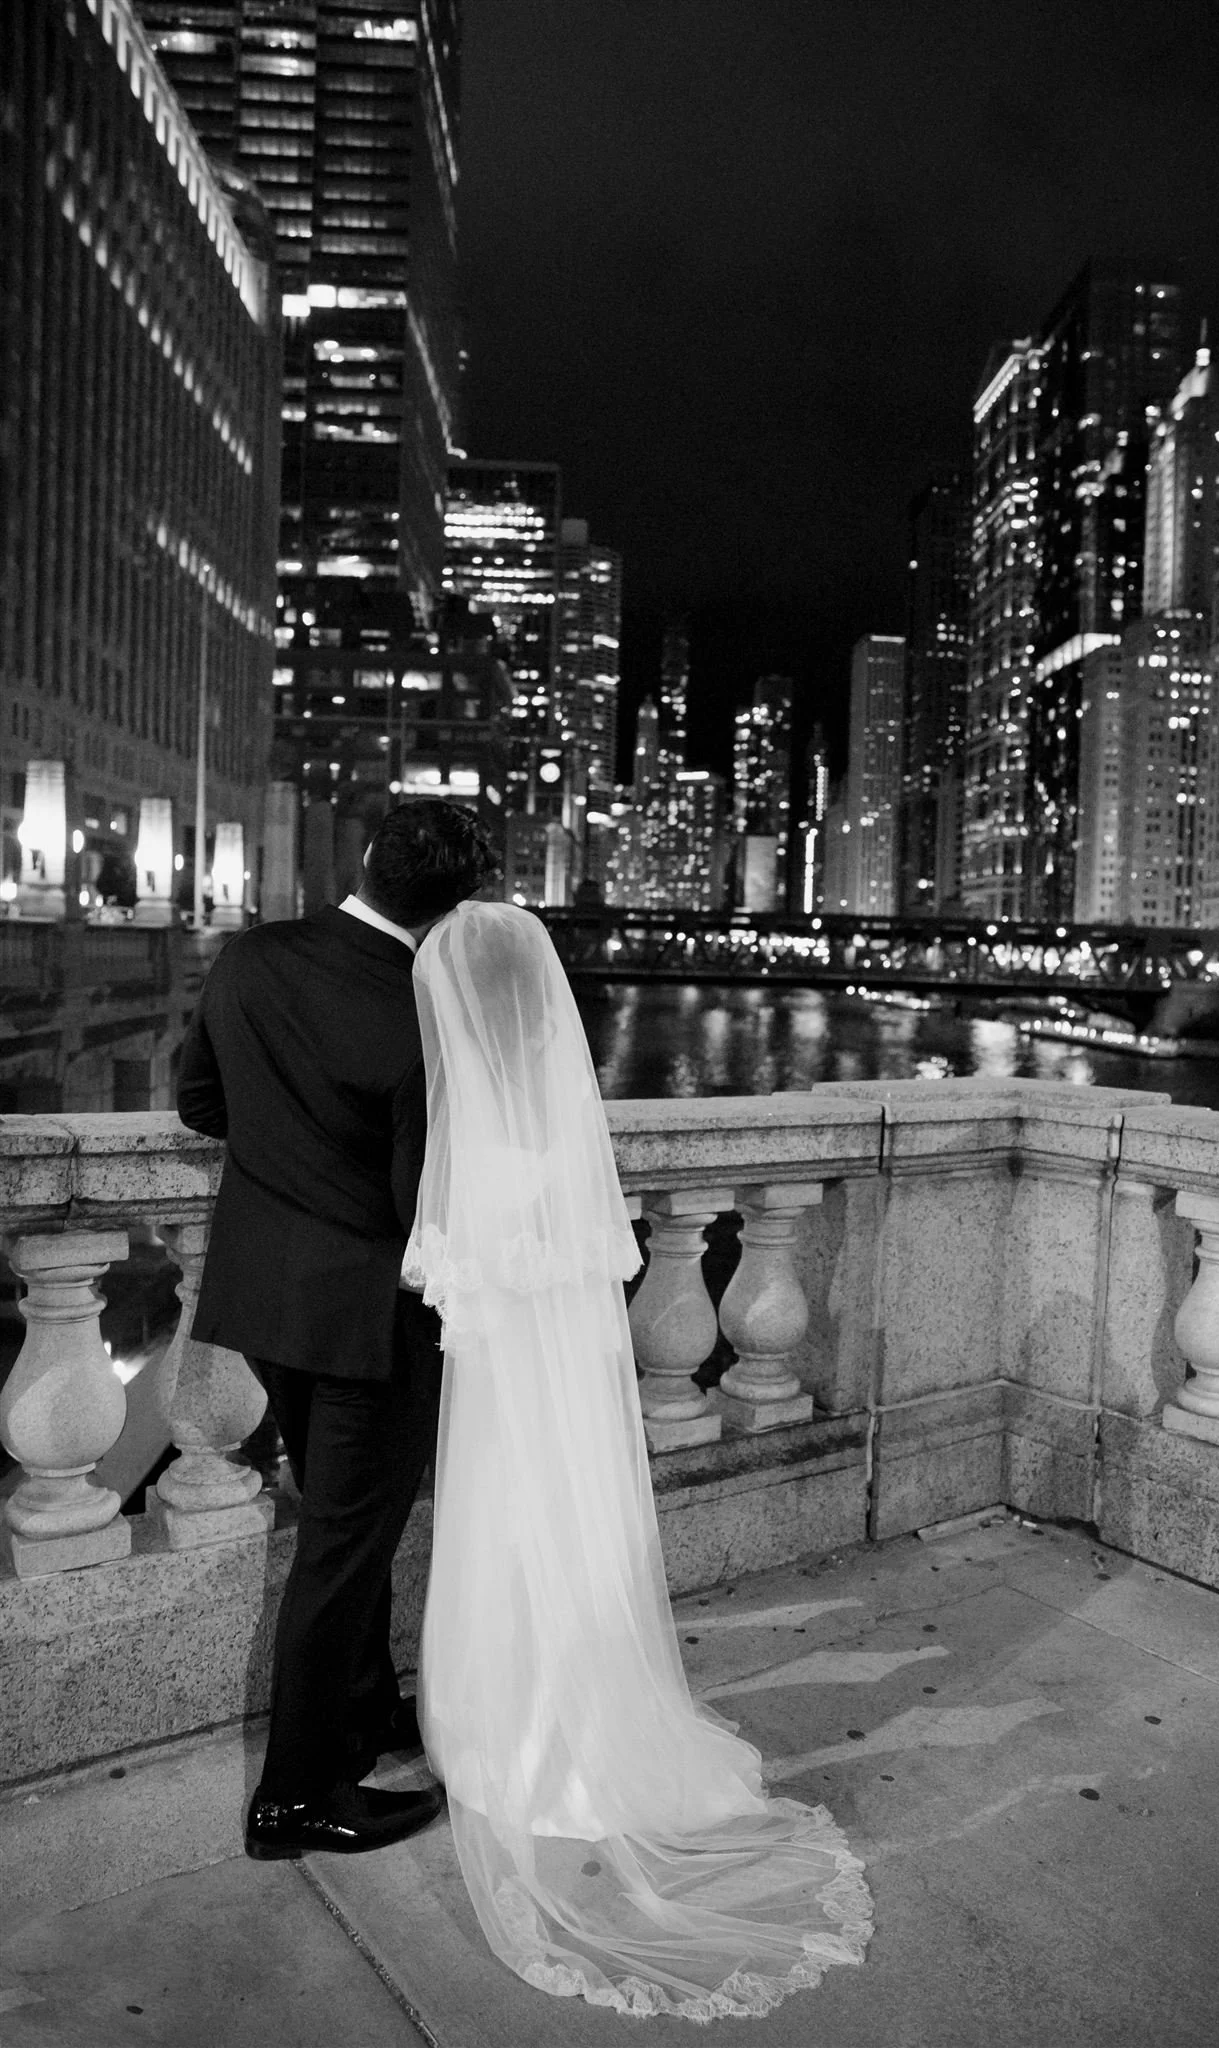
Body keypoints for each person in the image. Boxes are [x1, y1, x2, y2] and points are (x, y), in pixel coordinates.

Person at [403, 899, 873, 2022]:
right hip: (570, 1378)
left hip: (500, 1398)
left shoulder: (467, 1147)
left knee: (504, 1537)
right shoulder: (565, 1132)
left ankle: (512, 1737)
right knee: (579, 1532)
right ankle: (588, 1721)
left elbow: (448, 1289)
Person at [176, 799, 499, 1860]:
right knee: (342, 1548)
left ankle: (364, 1708)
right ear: (456, 906)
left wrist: (287, 1152)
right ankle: (296, 1794)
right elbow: (426, 1199)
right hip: (371, 1320)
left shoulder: (249, 956)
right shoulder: (424, 1006)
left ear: (368, 861)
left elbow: (198, 1101)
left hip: (266, 1296)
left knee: (338, 1525)